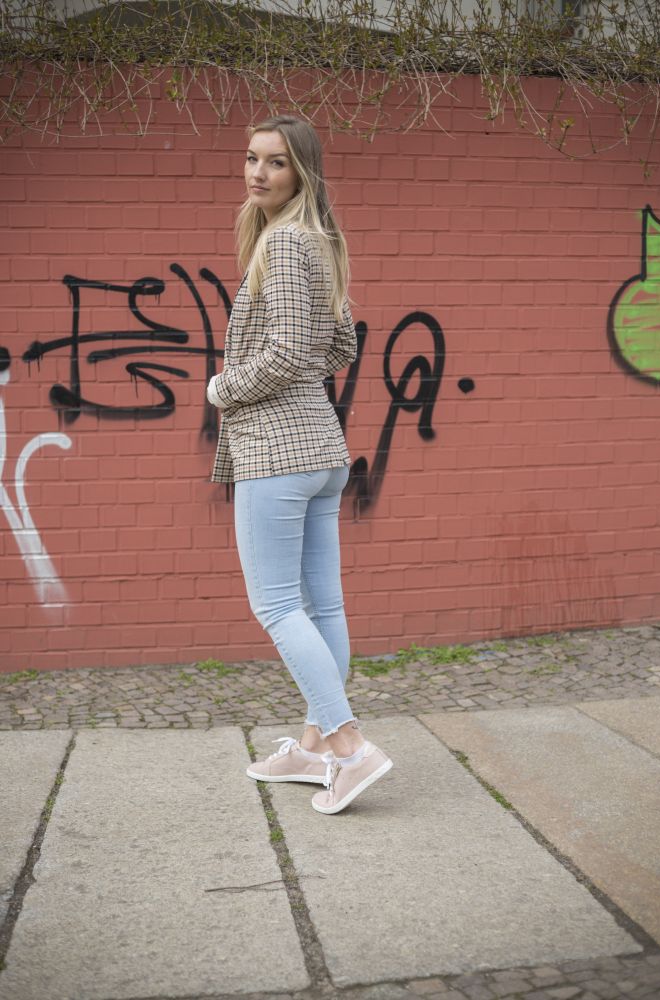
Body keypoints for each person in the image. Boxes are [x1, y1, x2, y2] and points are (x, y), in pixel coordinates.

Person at [207, 115, 393, 815]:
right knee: (323, 604)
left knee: (278, 605)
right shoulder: (317, 242)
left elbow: (288, 353)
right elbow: (338, 346)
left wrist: (221, 388)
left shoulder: (283, 245)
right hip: (320, 450)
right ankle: (315, 746)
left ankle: (348, 747)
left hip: (277, 453)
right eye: (250, 158)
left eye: (275, 163)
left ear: (301, 173)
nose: (257, 173)